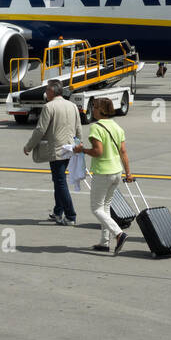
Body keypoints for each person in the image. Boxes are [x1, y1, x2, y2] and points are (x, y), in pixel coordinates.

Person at [73, 98, 131, 255]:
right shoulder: (117, 127)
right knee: (105, 207)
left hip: (103, 172)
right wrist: (128, 173)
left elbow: (98, 151)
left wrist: (82, 150)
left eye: (94, 107)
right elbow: (123, 152)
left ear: (101, 110)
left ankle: (119, 234)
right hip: (116, 172)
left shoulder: (96, 128)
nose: (93, 109)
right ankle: (104, 242)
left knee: (96, 208)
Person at [24, 80, 81, 224]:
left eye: (47, 90)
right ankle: (58, 212)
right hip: (70, 149)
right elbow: (78, 128)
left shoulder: (49, 107)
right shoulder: (72, 105)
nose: (45, 93)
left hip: (57, 151)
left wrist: (29, 146)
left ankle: (70, 216)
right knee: (58, 181)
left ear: (52, 91)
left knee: (60, 182)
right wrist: (79, 145)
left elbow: (40, 130)